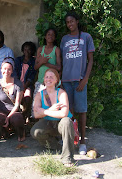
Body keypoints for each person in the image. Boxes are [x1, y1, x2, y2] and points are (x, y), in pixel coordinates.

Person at [60, 11, 95, 155]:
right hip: (66, 80)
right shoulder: (64, 39)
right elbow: (62, 61)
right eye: (68, 22)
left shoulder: (86, 37)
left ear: (77, 21)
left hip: (80, 80)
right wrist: (61, 80)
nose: (70, 24)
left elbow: (90, 60)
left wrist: (85, 79)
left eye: (72, 21)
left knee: (81, 111)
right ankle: (71, 140)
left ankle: (82, 142)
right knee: (69, 112)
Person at [30, 68, 75, 166]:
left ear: (56, 81)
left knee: (66, 121)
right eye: (46, 77)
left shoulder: (61, 93)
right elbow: (36, 115)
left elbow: (63, 114)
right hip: (48, 123)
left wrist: (44, 111)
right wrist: (51, 110)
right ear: (44, 79)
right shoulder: (39, 94)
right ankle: (56, 146)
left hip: (62, 124)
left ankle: (67, 157)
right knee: (35, 131)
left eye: (51, 77)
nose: (48, 79)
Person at [32, 28, 61, 112]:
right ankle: (38, 123)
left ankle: (50, 122)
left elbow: (59, 68)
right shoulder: (41, 49)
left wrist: (45, 63)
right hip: (40, 81)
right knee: (37, 106)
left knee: (51, 105)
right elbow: (35, 67)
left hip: (52, 83)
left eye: (52, 35)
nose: (50, 36)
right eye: (48, 34)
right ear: (45, 37)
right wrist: (42, 62)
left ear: (55, 38)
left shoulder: (56, 50)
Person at [14, 41, 37, 122]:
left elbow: (32, 76)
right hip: (17, 84)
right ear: (22, 50)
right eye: (25, 49)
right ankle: (20, 116)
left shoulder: (33, 61)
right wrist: (19, 85)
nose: (27, 52)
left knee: (27, 97)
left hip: (27, 85)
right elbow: (15, 74)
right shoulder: (18, 60)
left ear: (32, 51)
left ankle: (24, 116)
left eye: (29, 50)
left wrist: (24, 86)